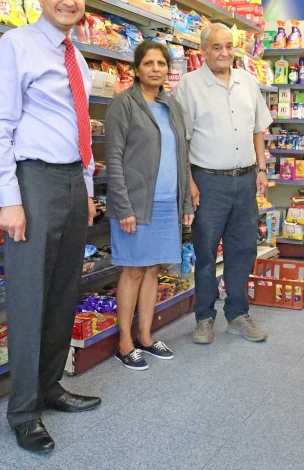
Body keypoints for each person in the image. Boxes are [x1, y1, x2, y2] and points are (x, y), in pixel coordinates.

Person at [0, 0, 101, 454]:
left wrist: (89, 187)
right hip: (33, 181)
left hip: (74, 181)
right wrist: (8, 198)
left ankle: (50, 386)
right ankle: (23, 411)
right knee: (31, 299)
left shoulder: (79, 57)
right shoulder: (16, 45)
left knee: (63, 293)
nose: (69, 0)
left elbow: (81, 127)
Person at [175, 23, 272, 345]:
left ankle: (238, 314)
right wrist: (189, 181)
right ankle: (204, 318)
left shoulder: (247, 81)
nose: (225, 53)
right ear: (203, 50)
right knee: (204, 253)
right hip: (208, 181)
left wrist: (262, 169)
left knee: (242, 250)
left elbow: (258, 129)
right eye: (217, 47)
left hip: (244, 179)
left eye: (229, 46)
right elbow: (181, 141)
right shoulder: (189, 85)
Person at [105, 40, 194, 371]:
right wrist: (123, 207)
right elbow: (113, 159)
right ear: (137, 68)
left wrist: (185, 200)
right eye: (149, 63)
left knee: (154, 268)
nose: (156, 69)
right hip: (136, 205)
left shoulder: (172, 108)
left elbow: (181, 158)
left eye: (161, 64)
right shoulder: (123, 105)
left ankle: (145, 335)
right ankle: (124, 342)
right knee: (133, 270)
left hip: (167, 204)